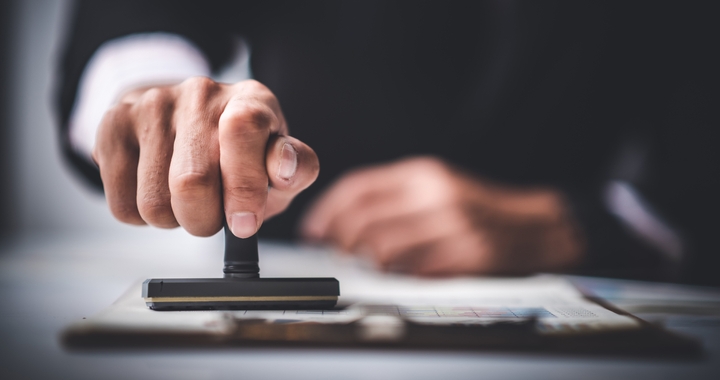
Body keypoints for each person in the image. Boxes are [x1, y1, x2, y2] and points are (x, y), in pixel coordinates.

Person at [56, 1, 719, 284]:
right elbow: (139, 14)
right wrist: (157, 106)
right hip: (294, 291)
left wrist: (594, 225)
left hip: (584, 276)